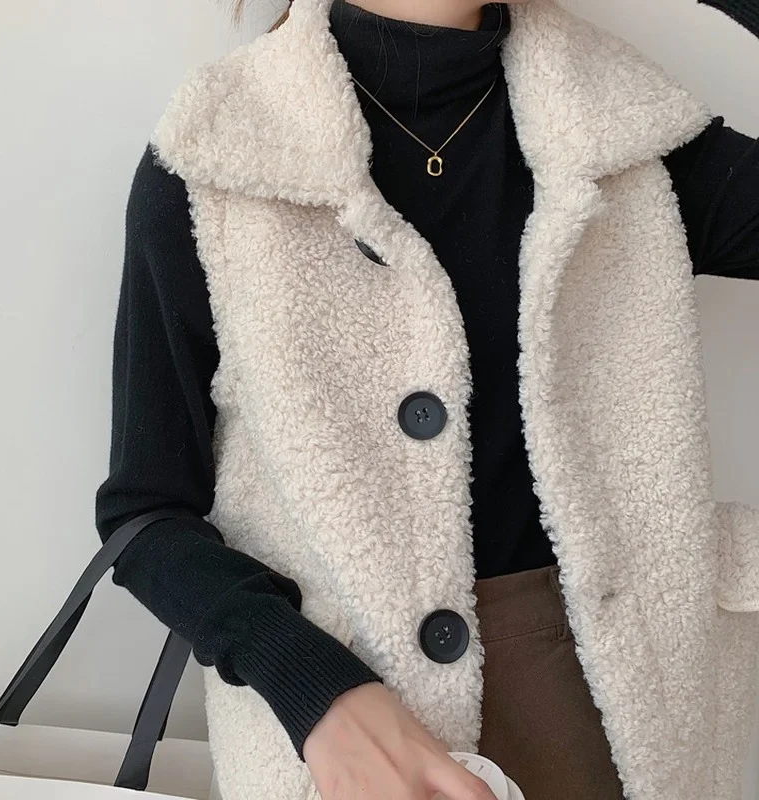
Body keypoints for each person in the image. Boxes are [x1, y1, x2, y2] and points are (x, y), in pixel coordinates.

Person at [95, 0, 759, 798]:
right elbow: (146, 516)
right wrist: (310, 688)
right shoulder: (218, 157)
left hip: (624, 719)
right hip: (344, 734)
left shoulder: (624, 135)